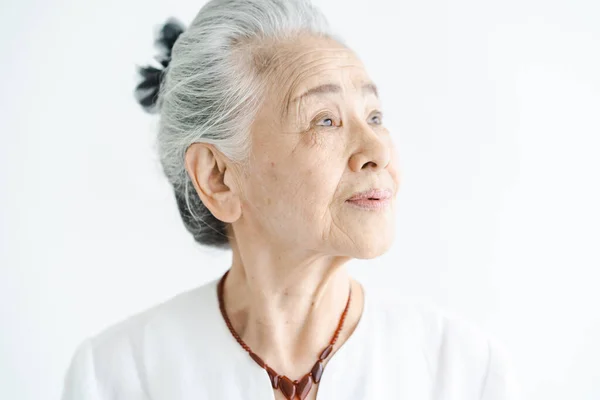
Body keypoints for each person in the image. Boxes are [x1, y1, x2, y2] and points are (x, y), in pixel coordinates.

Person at [61, 0, 522, 399]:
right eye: (325, 120)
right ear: (218, 177)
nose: (379, 151)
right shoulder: (116, 377)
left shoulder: (464, 372)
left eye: (375, 115)